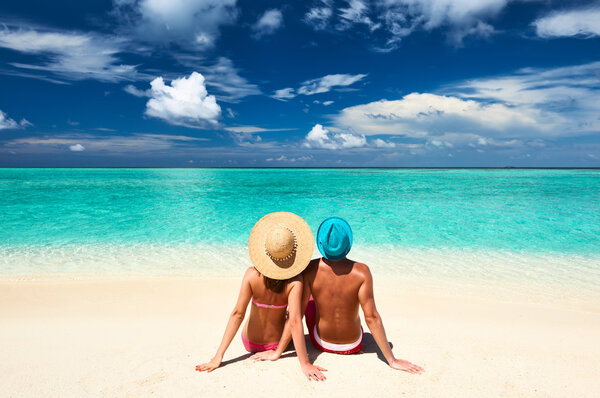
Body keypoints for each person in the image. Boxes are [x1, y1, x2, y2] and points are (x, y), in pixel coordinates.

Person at [252, 217, 424, 374]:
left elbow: (297, 316)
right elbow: (371, 317)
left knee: (307, 301)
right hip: (354, 344)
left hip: (321, 342)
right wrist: (392, 360)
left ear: (320, 243)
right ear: (348, 244)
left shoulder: (310, 269)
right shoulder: (362, 272)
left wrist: (277, 352)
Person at [195, 212, 327, 381]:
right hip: (277, 343)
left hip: (249, 342)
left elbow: (237, 314)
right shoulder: (294, 282)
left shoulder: (251, 275)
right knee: (307, 301)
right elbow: (294, 321)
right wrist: (305, 363)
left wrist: (218, 357)